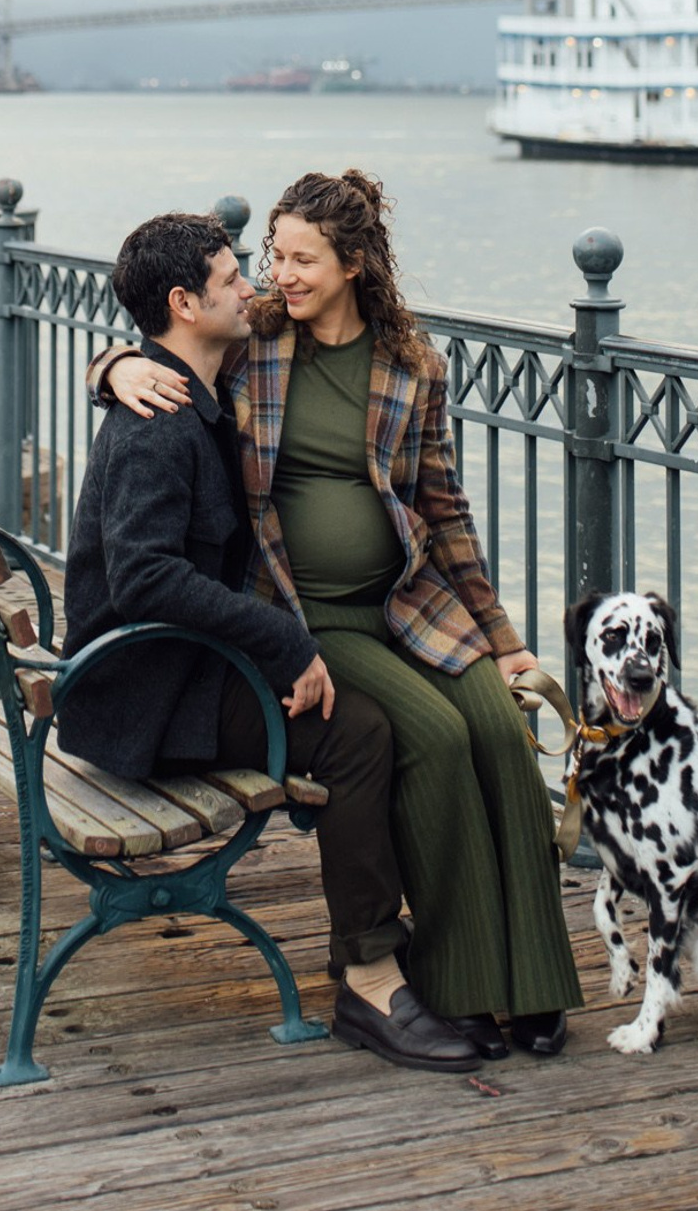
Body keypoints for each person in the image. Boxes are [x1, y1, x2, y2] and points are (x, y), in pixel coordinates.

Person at [94, 173, 583, 1061]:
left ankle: (532, 978)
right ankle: (453, 978)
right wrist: (111, 365)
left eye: (298, 258)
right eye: (269, 257)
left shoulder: (413, 365)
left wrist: (504, 642)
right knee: (432, 737)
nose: (275, 275)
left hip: (406, 602)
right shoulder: (258, 345)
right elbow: (164, 348)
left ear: (354, 265)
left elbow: (444, 509)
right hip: (300, 610)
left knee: (499, 732)